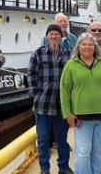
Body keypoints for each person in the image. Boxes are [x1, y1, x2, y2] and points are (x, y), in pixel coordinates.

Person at [60, 33, 101, 174]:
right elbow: (64, 91)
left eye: (90, 44)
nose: (87, 47)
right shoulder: (71, 65)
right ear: (78, 47)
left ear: (95, 47)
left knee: (98, 150)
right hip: (82, 117)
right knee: (83, 152)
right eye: (84, 44)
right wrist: (67, 113)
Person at [29, 24, 72, 174]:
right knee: (42, 140)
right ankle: (45, 169)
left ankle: (64, 168)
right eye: (51, 34)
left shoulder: (68, 54)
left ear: (61, 37)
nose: (54, 36)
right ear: (47, 36)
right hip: (43, 105)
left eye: (57, 34)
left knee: (62, 140)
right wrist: (35, 95)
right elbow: (31, 76)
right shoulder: (38, 54)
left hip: (62, 105)